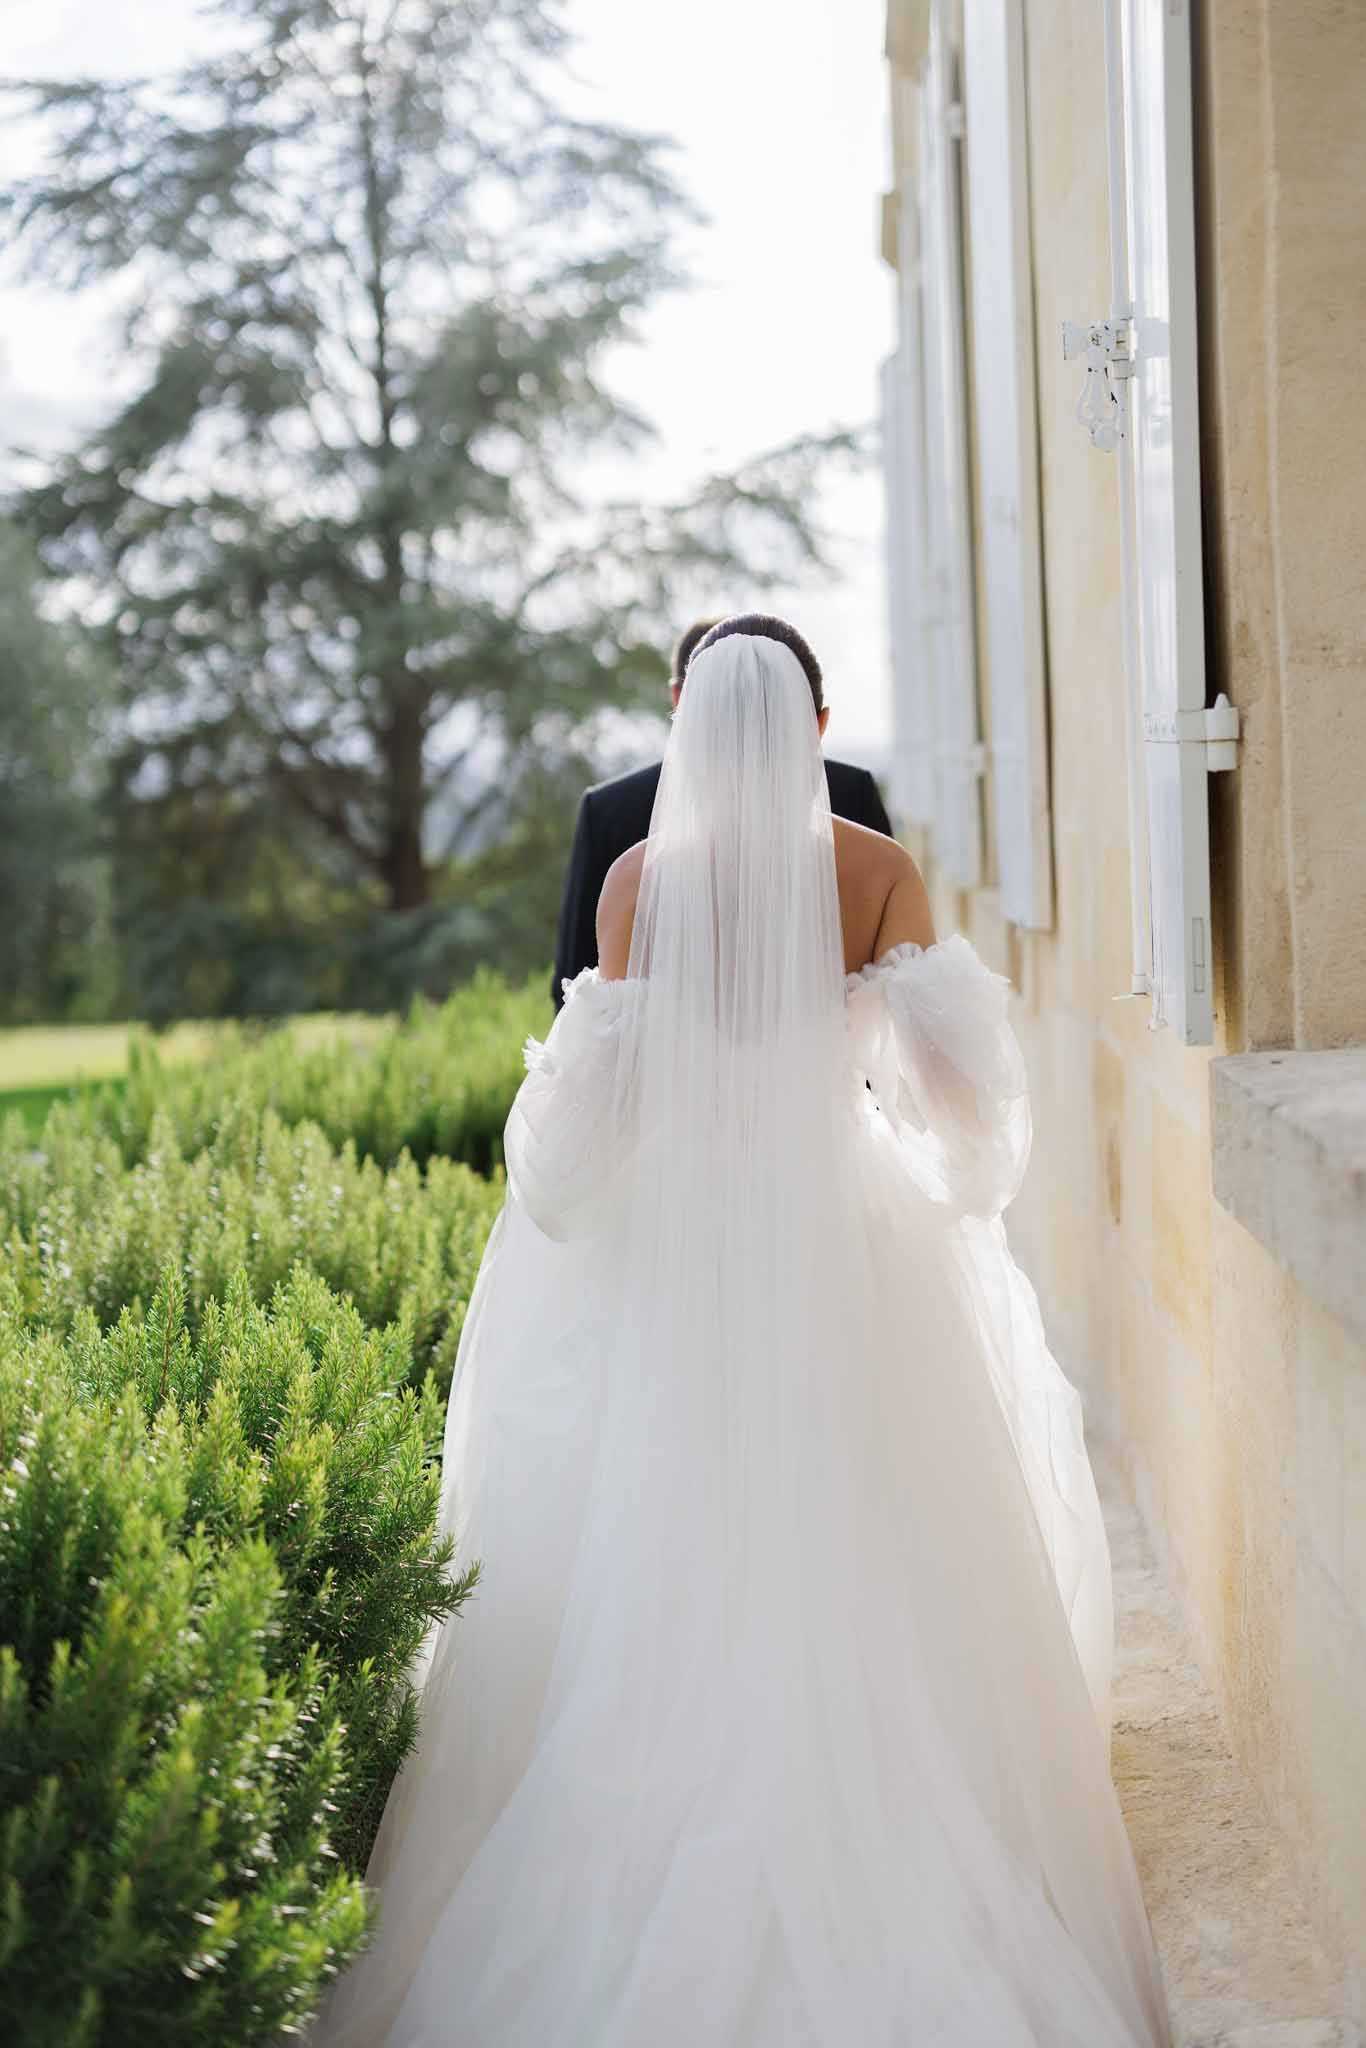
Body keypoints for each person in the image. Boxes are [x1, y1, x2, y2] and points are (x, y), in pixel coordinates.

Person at [316, 619, 1171, 2047]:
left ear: (683, 720)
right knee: (871, 1521)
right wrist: (918, 1147)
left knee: (662, 1526)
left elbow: (581, 1143)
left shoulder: (641, 880)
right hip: (846, 1237)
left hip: (676, 1248)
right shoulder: (875, 872)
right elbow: (966, 1120)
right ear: (817, 721)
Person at [551, 615, 893, 1006]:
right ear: (818, 721)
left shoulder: (629, 873)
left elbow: (579, 986)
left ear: (686, 711)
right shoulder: (885, 866)